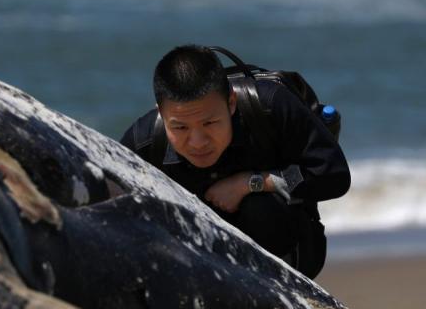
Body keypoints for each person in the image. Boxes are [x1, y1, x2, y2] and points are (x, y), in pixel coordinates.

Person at [120, 45, 350, 278]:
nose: (198, 142)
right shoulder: (144, 139)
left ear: (231, 102)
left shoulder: (270, 106)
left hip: (292, 246)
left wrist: (254, 182)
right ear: (161, 112)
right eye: (180, 127)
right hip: (197, 257)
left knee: (258, 207)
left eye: (209, 123)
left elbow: (333, 174)